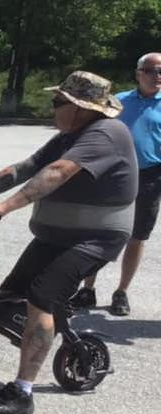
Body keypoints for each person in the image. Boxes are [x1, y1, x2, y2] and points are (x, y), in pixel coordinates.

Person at [0, 71, 137, 414]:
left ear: (81, 108)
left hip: (94, 239)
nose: (53, 107)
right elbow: (25, 168)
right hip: (56, 236)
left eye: (58, 102)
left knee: (41, 296)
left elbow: (57, 172)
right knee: (11, 292)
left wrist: (6, 206)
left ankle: (22, 391)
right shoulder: (69, 135)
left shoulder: (106, 134)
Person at [70, 52, 161, 316]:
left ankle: (121, 292)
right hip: (111, 174)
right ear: (138, 73)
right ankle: (87, 289)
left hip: (150, 177)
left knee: (137, 236)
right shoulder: (117, 102)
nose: (157, 76)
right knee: (97, 230)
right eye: (152, 70)